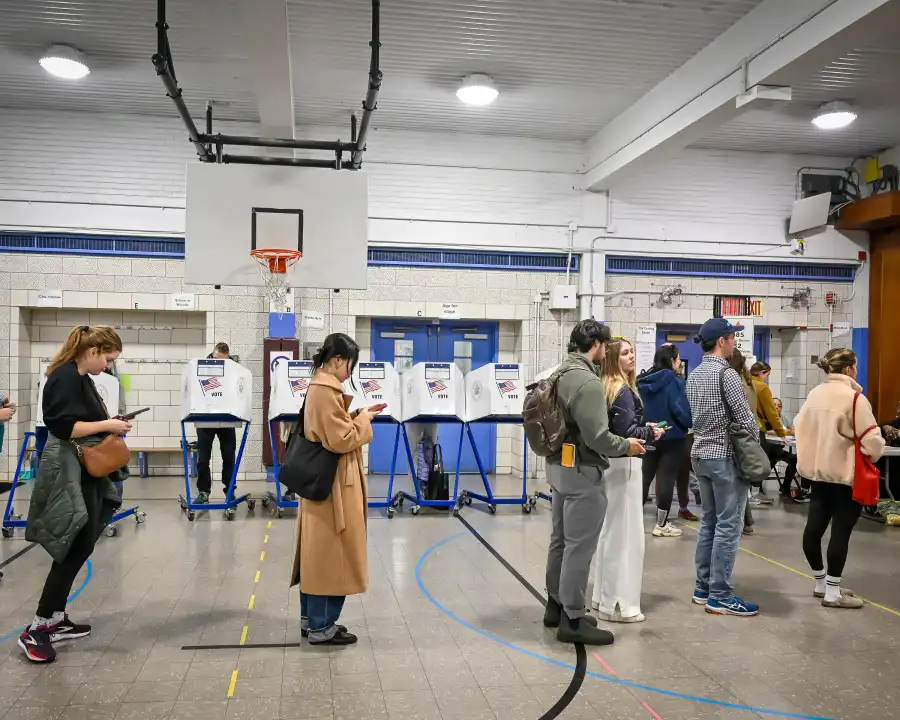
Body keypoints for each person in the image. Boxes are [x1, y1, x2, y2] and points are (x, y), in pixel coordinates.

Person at [21, 325, 132, 662]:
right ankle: (37, 627)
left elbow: (83, 420)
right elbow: (63, 426)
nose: (109, 366)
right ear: (93, 350)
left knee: (83, 542)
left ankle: (55, 617)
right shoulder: (63, 377)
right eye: (108, 359)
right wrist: (107, 426)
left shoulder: (81, 379)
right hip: (70, 469)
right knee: (71, 545)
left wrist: (109, 422)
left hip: (86, 470)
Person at [543, 320, 645, 645]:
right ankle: (572, 620)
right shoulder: (586, 382)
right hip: (582, 472)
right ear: (598, 345)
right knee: (579, 546)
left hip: (558, 466)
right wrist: (626, 445)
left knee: (560, 540)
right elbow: (599, 437)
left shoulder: (557, 374)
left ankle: (556, 605)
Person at [290, 333, 383, 644]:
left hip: (324, 482)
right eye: (350, 365)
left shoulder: (320, 388)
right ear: (339, 360)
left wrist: (355, 416)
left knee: (319, 555)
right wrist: (365, 420)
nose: (350, 372)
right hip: (333, 487)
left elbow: (331, 428)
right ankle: (321, 626)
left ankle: (312, 619)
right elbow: (340, 440)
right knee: (331, 556)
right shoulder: (325, 391)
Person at [795, 349, 884, 609]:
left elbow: (800, 427)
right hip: (846, 476)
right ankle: (833, 592)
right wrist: (872, 451)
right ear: (848, 369)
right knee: (840, 532)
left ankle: (821, 583)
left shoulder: (813, 395)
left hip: (817, 475)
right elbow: (872, 441)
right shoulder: (854, 399)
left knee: (813, 529)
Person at [686, 318, 760, 617]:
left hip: (700, 454)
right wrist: (754, 445)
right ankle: (721, 595)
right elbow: (745, 418)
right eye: (732, 338)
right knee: (730, 525)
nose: (735, 343)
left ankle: (702, 588)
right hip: (725, 457)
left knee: (709, 522)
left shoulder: (694, 374)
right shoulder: (726, 375)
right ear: (722, 341)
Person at [591, 338, 663, 624]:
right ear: (612, 359)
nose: (631, 356)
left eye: (632, 351)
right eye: (625, 353)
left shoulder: (606, 387)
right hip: (626, 465)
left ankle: (603, 597)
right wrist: (649, 432)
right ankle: (621, 605)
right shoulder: (622, 391)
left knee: (611, 534)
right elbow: (625, 432)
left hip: (611, 466)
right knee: (627, 538)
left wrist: (643, 429)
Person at [638, 343, 693, 536]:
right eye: (678, 360)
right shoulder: (676, 382)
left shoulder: (644, 381)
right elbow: (680, 410)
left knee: (644, 478)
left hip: (649, 434)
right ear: (672, 361)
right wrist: (689, 421)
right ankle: (661, 525)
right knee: (667, 479)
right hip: (672, 436)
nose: (679, 364)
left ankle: (633, 522)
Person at [195, 342, 236, 504]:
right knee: (203, 458)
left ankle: (230, 489)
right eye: (217, 358)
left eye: (223, 360)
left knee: (228, 456)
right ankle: (203, 491)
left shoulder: (233, 370)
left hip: (226, 419)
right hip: (205, 418)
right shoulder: (200, 370)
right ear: (212, 354)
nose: (220, 362)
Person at [729, 349, 761, 532]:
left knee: (736, 484)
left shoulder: (733, 382)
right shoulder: (750, 382)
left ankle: (741, 524)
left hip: (737, 437)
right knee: (742, 482)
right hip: (749, 435)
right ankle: (747, 521)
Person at [750, 361, 786, 505]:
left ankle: (748, 494)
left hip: (742, 428)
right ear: (761, 373)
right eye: (767, 374)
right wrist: (780, 431)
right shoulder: (762, 387)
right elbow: (771, 412)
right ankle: (755, 493)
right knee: (761, 461)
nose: (767, 378)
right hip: (757, 428)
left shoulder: (743, 382)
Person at [770, 397, 806, 501]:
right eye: (774, 405)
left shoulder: (784, 418)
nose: (777, 408)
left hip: (779, 450)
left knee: (795, 459)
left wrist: (788, 431)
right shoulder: (766, 417)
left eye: (779, 406)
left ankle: (786, 485)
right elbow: (767, 431)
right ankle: (758, 488)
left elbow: (793, 429)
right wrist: (785, 431)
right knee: (768, 464)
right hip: (767, 449)